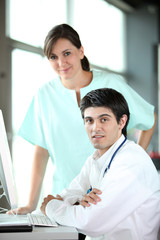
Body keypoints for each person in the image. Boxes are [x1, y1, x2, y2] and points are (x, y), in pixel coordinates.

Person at [7, 23, 157, 215]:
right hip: (63, 196)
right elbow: (42, 150)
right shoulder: (44, 94)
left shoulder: (111, 83)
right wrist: (30, 204)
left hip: (106, 193)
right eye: (53, 57)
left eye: (67, 53)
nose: (61, 63)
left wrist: (131, 162)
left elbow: (149, 119)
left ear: (81, 51)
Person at [40, 88, 160, 240]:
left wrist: (51, 207)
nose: (95, 128)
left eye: (104, 119)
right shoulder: (95, 158)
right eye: (89, 120)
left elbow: (90, 222)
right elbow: (67, 195)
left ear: (121, 121)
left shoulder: (131, 161)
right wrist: (78, 201)